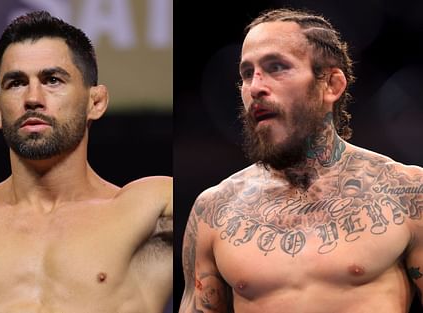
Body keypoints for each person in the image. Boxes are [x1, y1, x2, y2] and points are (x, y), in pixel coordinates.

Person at [0, 10, 172, 313]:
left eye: (52, 80)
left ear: (96, 102)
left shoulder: (148, 210)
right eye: (16, 83)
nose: (33, 98)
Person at [180, 8, 423, 313]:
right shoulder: (214, 211)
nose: (255, 87)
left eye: (276, 67)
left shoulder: (407, 193)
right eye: (246, 73)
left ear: (331, 85)